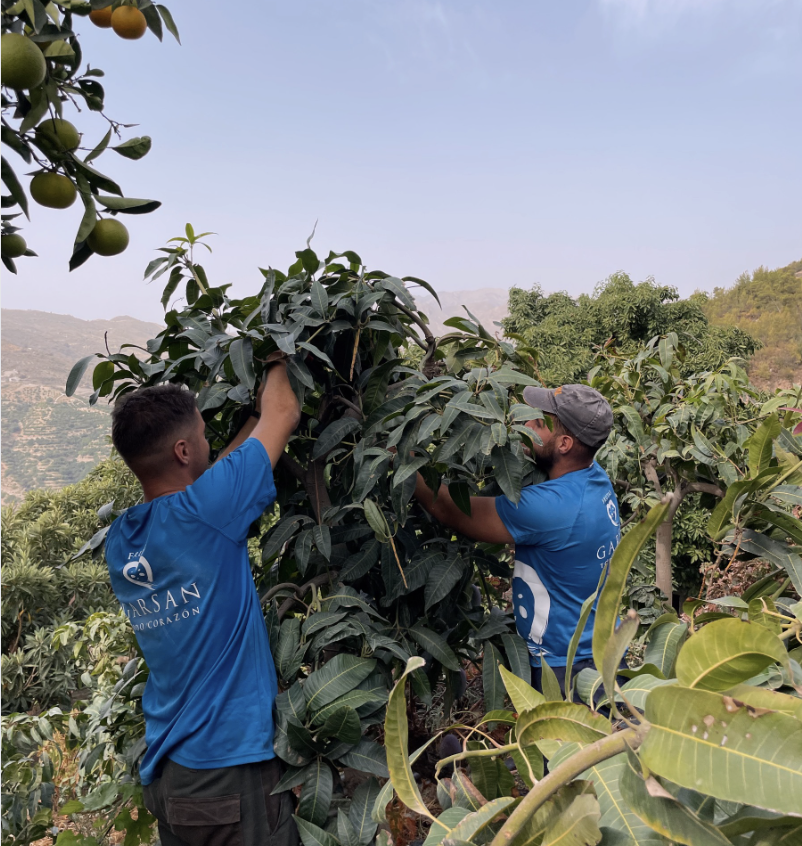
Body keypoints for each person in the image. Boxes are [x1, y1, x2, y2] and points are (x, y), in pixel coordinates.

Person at [104, 352, 301, 846]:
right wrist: (278, 355)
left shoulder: (122, 539)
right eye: (202, 436)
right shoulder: (207, 512)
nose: (212, 443)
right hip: (229, 773)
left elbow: (223, 473)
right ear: (183, 451)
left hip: (170, 773)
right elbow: (285, 413)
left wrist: (250, 424)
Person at [413, 384, 620, 697]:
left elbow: (447, 508)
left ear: (564, 444)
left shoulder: (551, 508)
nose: (525, 426)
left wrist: (403, 460)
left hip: (568, 670)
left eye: (537, 424)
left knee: (563, 745)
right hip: (600, 648)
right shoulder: (593, 476)